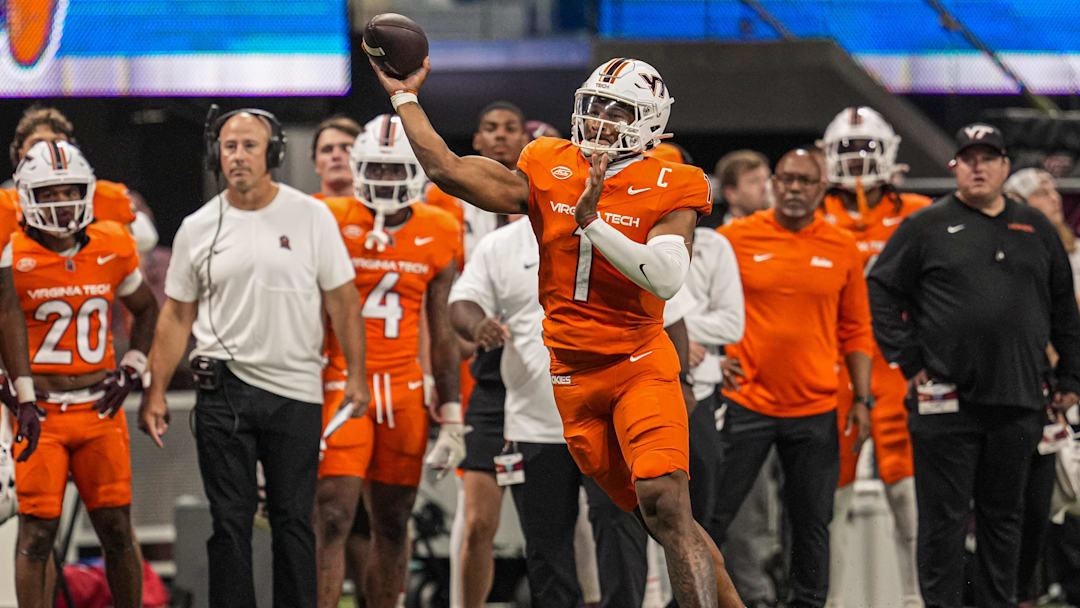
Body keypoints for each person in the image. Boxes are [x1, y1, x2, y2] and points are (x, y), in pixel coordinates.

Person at [370, 54, 742, 608]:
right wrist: (405, 98)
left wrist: (592, 223)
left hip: (639, 364)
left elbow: (665, 278)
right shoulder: (546, 162)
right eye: (594, 106)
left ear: (650, 121)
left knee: (666, 500)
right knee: (660, 518)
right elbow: (448, 169)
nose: (600, 120)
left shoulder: (673, 180)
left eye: (618, 111)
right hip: (569, 375)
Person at [138, 108, 368, 608]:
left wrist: (357, 376)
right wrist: (155, 391)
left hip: (297, 390)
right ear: (215, 154)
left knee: (293, 520)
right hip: (223, 391)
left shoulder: (311, 216)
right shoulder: (198, 227)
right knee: (229, 521)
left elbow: (344, 302)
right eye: (228, 146)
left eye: (248, 145)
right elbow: (176, 317)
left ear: (275, 153)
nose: (237, 156)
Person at [867, 122, 1080, 608]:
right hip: (946, 402)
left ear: (1006, 165)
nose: (977, 166)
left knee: (1005, 519)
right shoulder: (925, 225)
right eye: (968, 158)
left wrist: (1070, 374)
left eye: (988, 158)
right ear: (955, 166)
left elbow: (1064, 307)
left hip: (1019, 398)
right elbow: (880, 286)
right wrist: (908, 357)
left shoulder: (1037, 227)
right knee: (942, 521)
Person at [710, 148, 874, 608]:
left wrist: (862, 400)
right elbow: (696, 302)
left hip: (816, 407)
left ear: (822, 188)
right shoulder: (735, 238)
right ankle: (696, 600)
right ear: (774, 184)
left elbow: (856, 327)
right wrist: (710, 358)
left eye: (805, 180)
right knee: (714, 516)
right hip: (746, 403)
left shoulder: (841, 244)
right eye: (786, 179)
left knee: (812, 524)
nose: (794, 188)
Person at [313, 114, 463, 608]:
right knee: (333, 513)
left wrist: (453, 413)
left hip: (404, 387)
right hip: (340, 382)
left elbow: (441, 332)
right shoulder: (329, 217)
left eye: (393, 171)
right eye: (374, 170)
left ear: (415, 174)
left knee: (394, 520)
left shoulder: (439, 229)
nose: (383, 181)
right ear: (358, 169)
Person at [1, 140, 159, 608]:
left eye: (69, 190)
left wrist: (132, 368)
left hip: (98, 410)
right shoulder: (11, 252)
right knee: (36, 532)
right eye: (48, 193)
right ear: (25, 197)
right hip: (41, 414)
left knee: (117, 528)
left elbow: (146, 309)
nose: (61, 201)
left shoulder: (111, 241)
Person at [819, 106, 929, 608]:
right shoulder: (815, 214)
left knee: (906, 492)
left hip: (896, 366)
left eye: (867, 150)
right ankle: (835, 597)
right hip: (834, 367)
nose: (858, 161)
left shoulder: (919, 212)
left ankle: (912, 595)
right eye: (848, 150)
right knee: (833, 496)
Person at [425, 100, 529, 608]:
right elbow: (441, 293)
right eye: (491, 127)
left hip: (540, 366)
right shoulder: (447, 203)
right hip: (474, 356)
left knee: (568, 515)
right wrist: (452, 351)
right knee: (476, 513)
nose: (501, 136)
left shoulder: (552, 198)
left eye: (512, 128)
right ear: (478, 140)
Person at [3, 106, 159, 254]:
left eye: (57, 142)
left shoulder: (101, 193)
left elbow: (147, 237)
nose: (48, 149)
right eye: (37, 143)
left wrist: (92, 235)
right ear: (20, 152)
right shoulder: (5, 201)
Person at [702, 150, 771, 228]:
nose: (765, 187)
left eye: (767, 179)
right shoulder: (714, 236)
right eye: (754, 181)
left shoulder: (781, 229)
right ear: (731, 194)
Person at [311, 116, 362, 199]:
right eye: (327, 150)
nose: (336, 155)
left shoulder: (383, 209)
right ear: (316, 163)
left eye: (346, 148)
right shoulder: (300, 210)